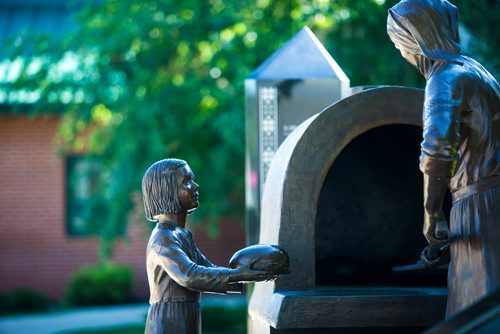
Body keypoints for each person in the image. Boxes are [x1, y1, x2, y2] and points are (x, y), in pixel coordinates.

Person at [387, 0, 500, 317]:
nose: (402, 53)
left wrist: (432, 213)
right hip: (489, 206)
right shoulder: (476, 71)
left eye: (399, 44)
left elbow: (437, 151)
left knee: (479, 315)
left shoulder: (444, 77)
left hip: (480, 207)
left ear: (414, 40)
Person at [141, 158, 273, 333]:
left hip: (185, 316)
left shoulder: (180, 235)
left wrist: (244, 276)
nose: (196, 186)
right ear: (167, 190)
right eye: (186, 181)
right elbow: (189, 275)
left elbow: (207, 269)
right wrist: (235, 274)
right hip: (168, 321)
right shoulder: (162, 239)